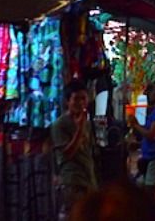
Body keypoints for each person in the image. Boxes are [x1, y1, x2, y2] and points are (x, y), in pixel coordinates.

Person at [52, 79, 98, 218]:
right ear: (67, 102)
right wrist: (79, 129)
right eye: (76, 99)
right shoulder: (60, 125)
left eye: (83, 98)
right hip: (72, 181)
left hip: (88, 179)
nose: (81, 103)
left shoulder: (87, 123)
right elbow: (67, 153)